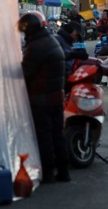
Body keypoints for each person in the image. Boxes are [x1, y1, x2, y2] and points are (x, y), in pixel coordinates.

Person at [17, 11, 71, 183]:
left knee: (44, 137)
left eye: (25, 32)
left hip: (41, 100)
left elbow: (25, 73)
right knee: (57, 135)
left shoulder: (37, 46)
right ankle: (63, 172)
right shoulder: (51, 41)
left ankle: (48, 173)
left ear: (30, 30)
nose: (25, 35)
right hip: (55, 97)